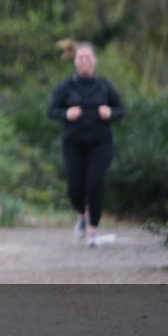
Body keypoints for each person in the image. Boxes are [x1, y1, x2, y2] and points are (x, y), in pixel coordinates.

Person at [48, 41, 124, 247]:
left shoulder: (104, 86)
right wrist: (66, 113)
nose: (84, 61)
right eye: (80, 57)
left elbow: (121, 109)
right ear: (75, 61)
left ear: (94, 61)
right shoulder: (66, 87)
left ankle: (93, 232)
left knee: (94, 185)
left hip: (100, 143)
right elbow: (51, 110)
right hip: (73, 143)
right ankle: (83, 214)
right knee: (74, 189)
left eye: (88, 57)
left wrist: (110, 112)